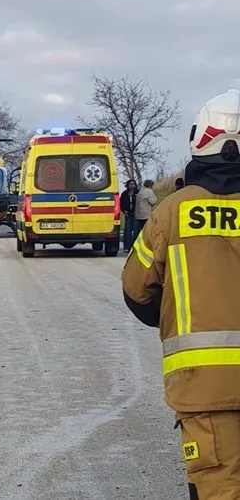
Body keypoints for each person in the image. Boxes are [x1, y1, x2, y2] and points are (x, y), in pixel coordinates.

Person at [121, 88, 240, 499]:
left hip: (204, 386)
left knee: (220, 487)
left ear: (201, 138)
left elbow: (137, 290)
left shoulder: (171, 212)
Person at [120, 179, 138, 252]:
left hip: (136, 214)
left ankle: (135, 246)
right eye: (130, 184)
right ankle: (126, 247)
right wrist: (124, 210)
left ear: (135, 185)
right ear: (127, 185)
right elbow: (121, 203)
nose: (131, 185)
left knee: (136, 231)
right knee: (127, 230)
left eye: (133, 184)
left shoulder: (138, 192)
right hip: (128, 214)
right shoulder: (124, 193)